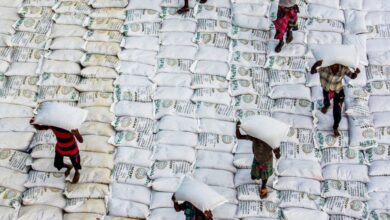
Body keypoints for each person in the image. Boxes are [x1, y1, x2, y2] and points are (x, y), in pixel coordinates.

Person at [311, 60, 360, 137]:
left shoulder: (343, 68)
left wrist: (356, 73)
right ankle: (326, 105)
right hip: (326, 88)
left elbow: (352, 76)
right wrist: (315, 65)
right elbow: (312, 71)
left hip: (338, 90)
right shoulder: (324, 66)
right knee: (326, 99)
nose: (334, 65)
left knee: (337, 110)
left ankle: (335, 127)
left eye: (336, 64)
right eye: (333, 64)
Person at [30, 117, 83, 183]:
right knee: (57, 164)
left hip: (72, 149)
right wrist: (34, 124)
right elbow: (41, 128)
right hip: (60, 148)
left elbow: (81, 140)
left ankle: (77, 173)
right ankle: (69, 167)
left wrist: (76, 133)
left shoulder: (70, 127)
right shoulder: (53, 125)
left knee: (76, 164)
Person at [236, 122, 280, 199]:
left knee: (264, 177)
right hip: (257, 159)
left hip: (266, 161)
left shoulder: (271, 141)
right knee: (254, 176)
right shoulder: (255, 137)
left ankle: (263, 187)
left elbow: (278, 155)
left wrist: (276, 151)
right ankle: (256, 176)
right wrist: (238, 128)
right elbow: (239, 136)